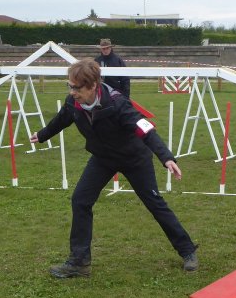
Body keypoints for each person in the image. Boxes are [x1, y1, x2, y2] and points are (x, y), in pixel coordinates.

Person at [30, 58, 198, 278]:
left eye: (76, 87)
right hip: (103, 158)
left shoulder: (118, 103)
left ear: (93, 85)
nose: (72, 92)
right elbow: (63, 119)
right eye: (69, 86)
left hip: (134, 158)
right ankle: (79, 263)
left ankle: (187, 251)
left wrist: (166, 158)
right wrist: (42, 135)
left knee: (154, 203)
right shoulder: (74, 102)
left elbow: (145, 129)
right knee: (80, 200)